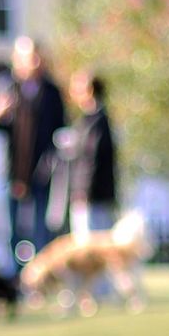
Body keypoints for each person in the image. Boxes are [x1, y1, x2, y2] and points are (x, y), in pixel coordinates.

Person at [0, 36, 67, 269]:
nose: (34, 61)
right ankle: (14, 280)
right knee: (10, 230)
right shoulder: (4, 86)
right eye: (29, 57)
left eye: (37, 56)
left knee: (40, 230)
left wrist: (51, 163)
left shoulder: (51, 92)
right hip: (10, 172)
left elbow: (59, 131)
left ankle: (39, 279)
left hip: (41, 171)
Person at [65, 70, 119, 233]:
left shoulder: (97, 122)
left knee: (93, 243)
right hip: (89, 195)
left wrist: (83, 191)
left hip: (95, 197)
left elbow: (91, 159)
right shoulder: (87, 121)